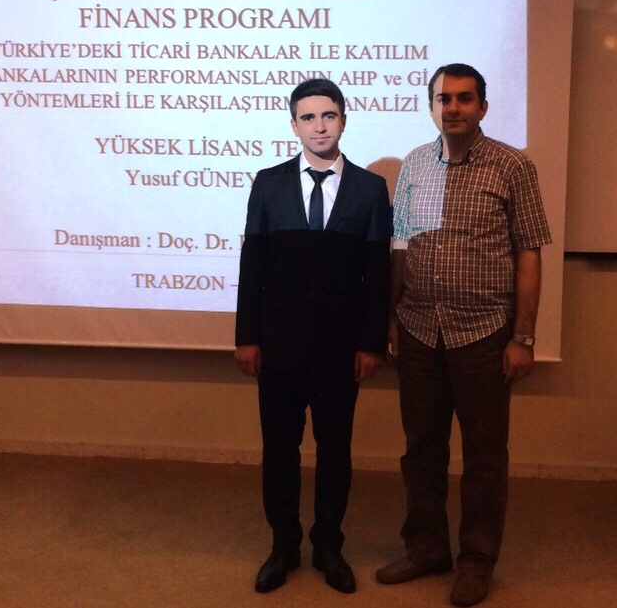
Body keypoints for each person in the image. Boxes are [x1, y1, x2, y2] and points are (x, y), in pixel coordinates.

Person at [375, 63, 551, 607]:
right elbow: (401, 247)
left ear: (482, 107)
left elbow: (529, 252)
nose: (453, 107)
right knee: (421, 450)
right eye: (443, 98)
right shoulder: (413, 165)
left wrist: (523, 338)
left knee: (484, 458)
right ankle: (427, 548)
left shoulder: (512, 166)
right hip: (419, 329)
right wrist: (391, 317)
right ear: (431, 106)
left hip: (484, 334)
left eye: (464, 98)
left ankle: (476, 561)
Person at [235, 77, 391, 594]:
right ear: (294, 125)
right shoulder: (268, 183)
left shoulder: (370, 188)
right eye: (308, 117)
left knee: (335, 452)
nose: (319, 126)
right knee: (279, 451)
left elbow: (378, 274)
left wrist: (371, 343)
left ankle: (328, 546)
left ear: (343, 120)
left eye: (328, 115)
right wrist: (246, 337)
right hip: (277, 345)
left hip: (340, 350)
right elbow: (253, 265)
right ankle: (283, 546)